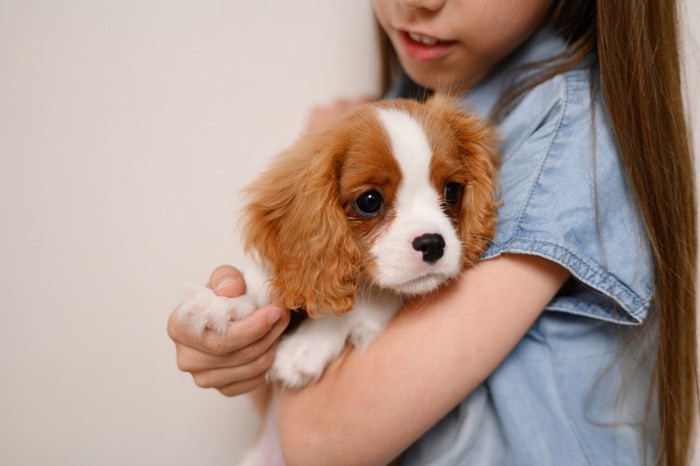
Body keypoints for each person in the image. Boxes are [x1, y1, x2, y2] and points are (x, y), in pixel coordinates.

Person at [167, 0, 698, 464]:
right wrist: (250, 339)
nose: (415, 1)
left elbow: (321, 443)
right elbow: (288, 397)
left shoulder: (563, 128)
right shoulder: (423, 89)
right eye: (371, 203)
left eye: (451, 195)